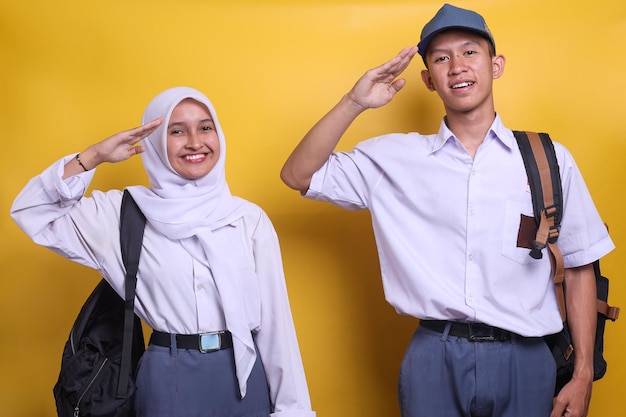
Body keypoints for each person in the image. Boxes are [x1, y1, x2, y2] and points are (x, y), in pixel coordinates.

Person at [280, 4, 613, 417]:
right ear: (428, 80)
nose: (457, 66)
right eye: (441, 58)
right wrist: (354, 101)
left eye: (470, 52)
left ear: (496, 65)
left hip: (526, 358)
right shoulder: (395, 159)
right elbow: (297, 175)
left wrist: (582, 374)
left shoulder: (548, 159)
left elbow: (580, 266)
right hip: (433, 357)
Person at [11, 86, 315, 417]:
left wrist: (293, 410)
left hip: (243, 378)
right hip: (168, 379)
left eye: (205, 127)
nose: (195, 142)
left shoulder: (247, 219)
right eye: (176, 131)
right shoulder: (122, 214)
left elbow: (276, 326)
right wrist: (93, 156)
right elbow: (32, 210)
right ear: (155, 143)